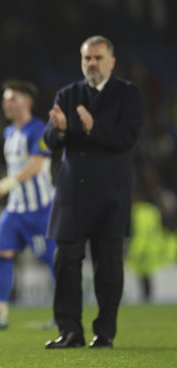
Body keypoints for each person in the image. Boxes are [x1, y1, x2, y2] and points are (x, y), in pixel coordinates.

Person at [43, 36, 145, 349]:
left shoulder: (128, 95)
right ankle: (70, 331)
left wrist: (92, 128)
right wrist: (58, 128)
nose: (92, 64)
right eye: (87, 58)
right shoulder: (68, 93)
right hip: (72, 193)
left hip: (110, 195)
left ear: (112, 62)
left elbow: (127, 137)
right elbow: (51, 140)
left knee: (109, 266)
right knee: (66, 263)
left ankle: (105, 333)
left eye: (98, 58)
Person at [0, 80, 56, 329]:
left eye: (13, 99)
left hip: (40, 209)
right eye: (5, 99)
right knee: (0, 253)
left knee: (52, 260)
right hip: (15, 209)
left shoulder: (38, 129)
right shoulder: (9, 132)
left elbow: (37, 165)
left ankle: (65, 314)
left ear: (27, 103)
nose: (7, 104)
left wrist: (5, 185)